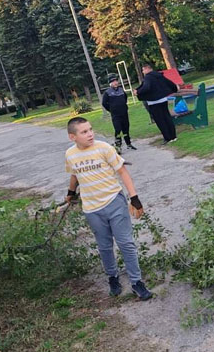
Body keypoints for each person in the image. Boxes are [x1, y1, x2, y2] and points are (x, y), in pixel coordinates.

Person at [64, 117, 153, 300]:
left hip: (114, 202)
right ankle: (113, 277)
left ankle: (137, 282)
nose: (90, 134)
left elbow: (122, 172)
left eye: (90, 129)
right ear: (72, 137)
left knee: (125, 243)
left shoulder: (104, 148)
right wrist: (70, 193)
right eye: (84, 132)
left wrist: (134, 198)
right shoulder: (70, 154)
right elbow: (74, 175)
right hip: (91, 209)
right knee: (104, 246)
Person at [134, 64, 178, 144]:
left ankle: (167, 138)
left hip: (154, 102)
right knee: (167, 117)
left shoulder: (148, 77)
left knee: (160, 120)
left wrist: (138, 92)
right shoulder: (159, 75)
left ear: (147, 69)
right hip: (163, 100)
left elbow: (146, 87)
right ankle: (173, 136)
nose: (143, 72)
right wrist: (174, 89)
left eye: (143, 70)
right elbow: (170, 83)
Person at [102, 74, 136, 153]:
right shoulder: (107, 92)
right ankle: (118, 146)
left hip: (124, 112)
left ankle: (129, 144)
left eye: (116, 81)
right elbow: (104, 103)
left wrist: (124, 106)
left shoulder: (121, 90)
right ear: (110, 83)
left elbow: (125, 98)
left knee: (126, 128)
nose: (115, 83)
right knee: (118, 130)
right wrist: (111, 109)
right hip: (115, 114)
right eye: (113, 82)